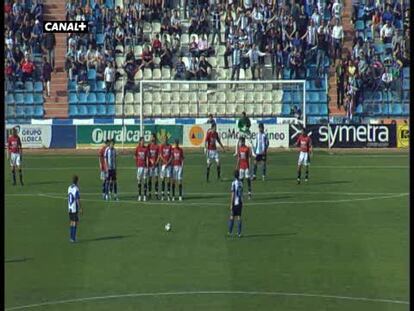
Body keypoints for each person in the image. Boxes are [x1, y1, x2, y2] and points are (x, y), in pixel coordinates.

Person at [227, 170, 243, 238]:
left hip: (234, 202)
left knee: (231, 216)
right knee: (239, 217)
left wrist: (231, 204)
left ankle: (230, 232)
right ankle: (239, 233)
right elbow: (241, 193)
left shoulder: (233, 183)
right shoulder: (241, 183)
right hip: (240, 202)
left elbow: (233, 194)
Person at [158, 135, 173, 201]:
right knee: (163, 179)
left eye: (166, 139)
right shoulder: (161, 146)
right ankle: (163, 195)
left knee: (169, 179)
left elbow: (171, 156)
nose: (165, 140)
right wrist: (165, 162)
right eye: (164, 139)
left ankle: (169, 195)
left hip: (169, 165)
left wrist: (168, 162)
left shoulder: (170, 146)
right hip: (163, 165)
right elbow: (160, 155)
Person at [68, 175, 82, 243]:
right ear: (77, 181)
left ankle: (71, 237)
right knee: (75, 223)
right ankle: (73, 238)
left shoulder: (69, 187)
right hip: (74, 208)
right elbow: (77, 199)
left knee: (71, 222)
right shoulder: (76, 189)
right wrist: (80, 208)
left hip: (70, 207)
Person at [135, 137, 149, 202]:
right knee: (139, 181)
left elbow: (147, 158)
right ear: (140, 141)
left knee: (145, 181)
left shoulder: (146, 149)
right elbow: (135, 156)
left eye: (144, 141)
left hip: (144, 167)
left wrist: (147, 166)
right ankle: (139, 195)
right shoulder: (137, 148)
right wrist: (137, 162)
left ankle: (145, 196)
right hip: (139, 167)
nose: (143, 142)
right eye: (142, 141)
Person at [147, 133, 160, 200]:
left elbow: (158, 155)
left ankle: (156, 194)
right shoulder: (148, 146)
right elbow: (148, 155)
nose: (151, 138)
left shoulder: (157, 146)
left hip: (156, 166)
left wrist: (156, 163)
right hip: (150, 165)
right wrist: (151, 161)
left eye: (152, 137)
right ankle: (149, 193)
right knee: (149, 179)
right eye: (151, 137)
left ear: (155, 138)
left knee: (156, 179)